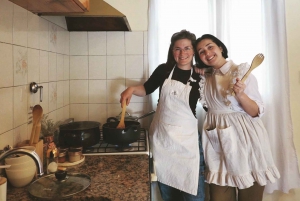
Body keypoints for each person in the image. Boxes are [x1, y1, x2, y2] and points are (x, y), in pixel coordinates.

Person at [120, 30, 205, 201]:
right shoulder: (164, 70)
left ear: (194, 51)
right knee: (168, 195)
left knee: (193, 196)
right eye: (177, 49)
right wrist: (131, 89)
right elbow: (146, 89)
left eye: (187, 48)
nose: (182, 53)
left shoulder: (200, 74)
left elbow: (212, 101)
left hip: (187, 143)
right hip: (163, 142)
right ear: (172, 51)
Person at [194, 34, 280, 201]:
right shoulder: (206, 77)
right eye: (201, 52)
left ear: (220, 48)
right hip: (217, 143)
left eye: (210, 47)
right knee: (219, 196)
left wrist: (241, 94)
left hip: (245, 140)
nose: (207, 53)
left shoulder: (242, 72)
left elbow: (255, 112)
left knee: (250, 195)